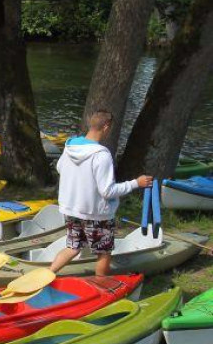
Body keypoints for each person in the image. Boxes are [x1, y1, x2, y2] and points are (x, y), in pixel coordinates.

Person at [48, 110, 153, 276]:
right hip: (95, 214)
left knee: (73, 247)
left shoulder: (70, 147)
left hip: (71, 209)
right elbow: (108, 191)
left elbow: (59, 168)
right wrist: (135, 183)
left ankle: (47, 275)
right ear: (106, 127)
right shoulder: (101, 155)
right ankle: (101, 288)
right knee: (103, 252)